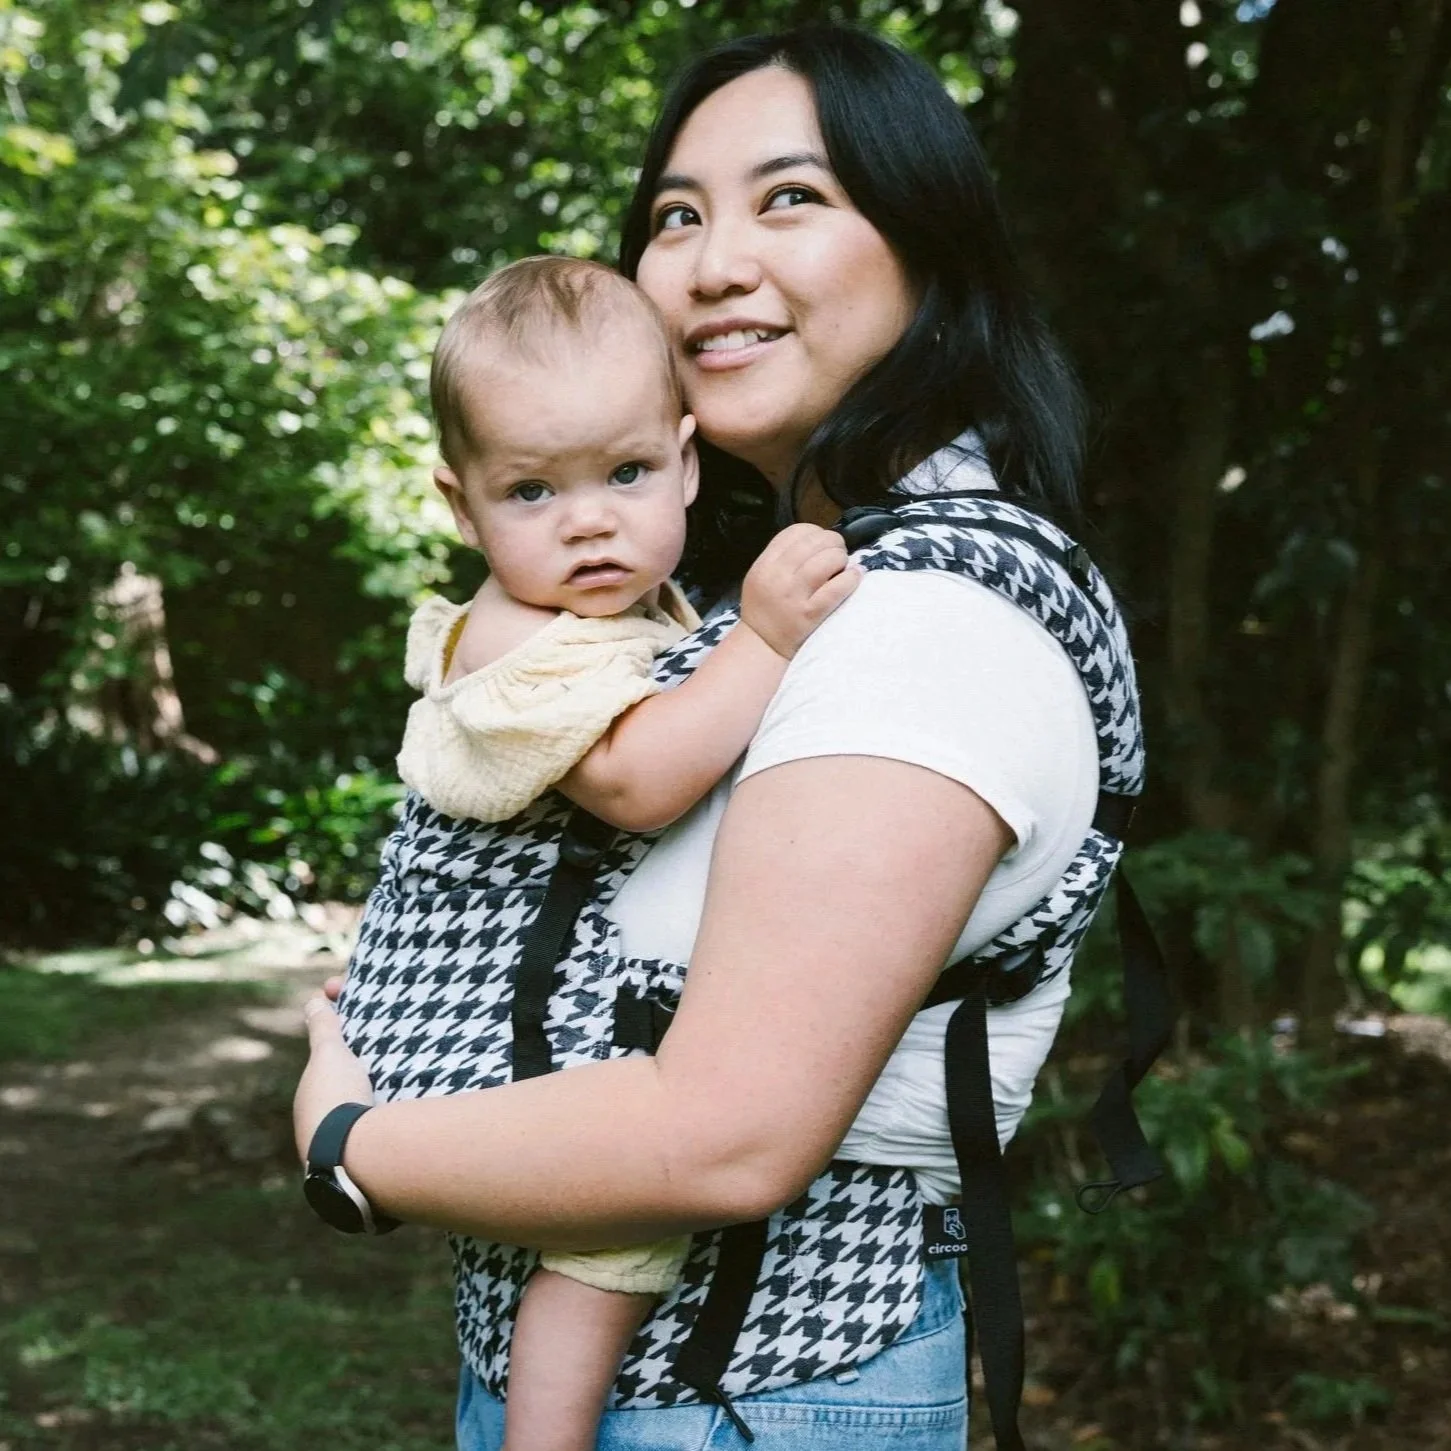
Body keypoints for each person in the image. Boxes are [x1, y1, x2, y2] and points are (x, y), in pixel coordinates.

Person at [295, 24, 1143, 1451]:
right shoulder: (780, 582)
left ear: (928, 243)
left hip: (753, 1394)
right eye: (674, 215)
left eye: (788, 197)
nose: (709, 259)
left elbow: (730, 1128)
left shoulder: (920, 610)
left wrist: (348, 1144)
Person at [341, 253, 865, 1451]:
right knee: (613, 1234)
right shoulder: (516, 640)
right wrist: (768, 637)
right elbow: (636, 779)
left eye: (625, 473)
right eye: (531, 492)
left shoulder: (625, 612)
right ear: (459, 506)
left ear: (684, 461)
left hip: (530, 999)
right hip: (480, 1023)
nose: (588, 520)